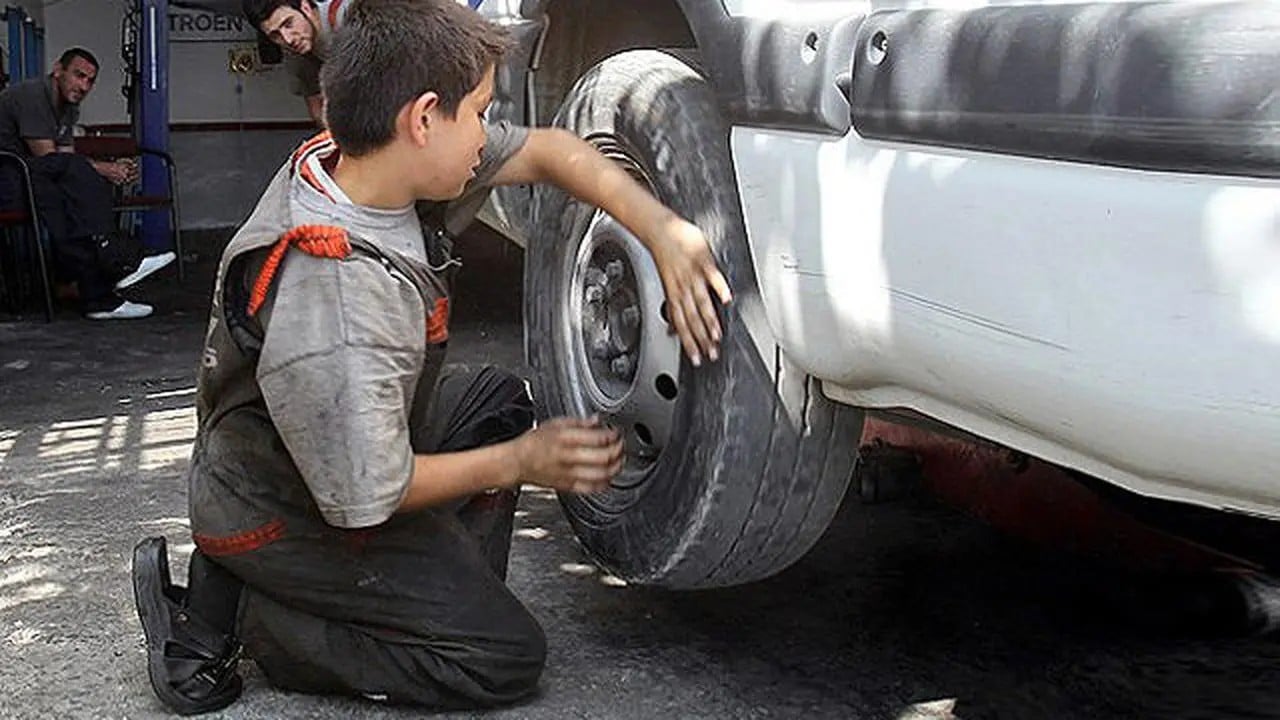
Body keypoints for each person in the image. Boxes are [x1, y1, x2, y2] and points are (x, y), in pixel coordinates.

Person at [131, 0, 731, 714]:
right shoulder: (336, 295)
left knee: (496, 401)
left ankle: (412, 595)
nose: (486, 134)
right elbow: (365, 498)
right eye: (478, 112)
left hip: (326, 440)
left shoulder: (371, 167)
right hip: (282, 506)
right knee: (498, 659)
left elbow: (550, 150)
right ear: (421, 119)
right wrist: (522, 464)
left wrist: (663, 228)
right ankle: (246, 613)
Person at [0, 47, 175, 319]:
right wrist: (105, 168)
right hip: (8, 181)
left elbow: (65, 159)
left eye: (90, 81)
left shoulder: (68, 108)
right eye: (78, 75)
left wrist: (102, 172)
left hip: (32, 180)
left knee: (74, 194)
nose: (84, 86)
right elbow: (49, 158)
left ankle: (97, 293)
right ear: (58, 70)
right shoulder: (33, 95)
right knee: (72, 182)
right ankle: (117, 262)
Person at [243, 0, 348, 126]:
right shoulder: (296, 51)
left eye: (288, 24)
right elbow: (318, 112)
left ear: (305, 8)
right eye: (275, 35)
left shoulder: (347, 16)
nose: (288, 39)